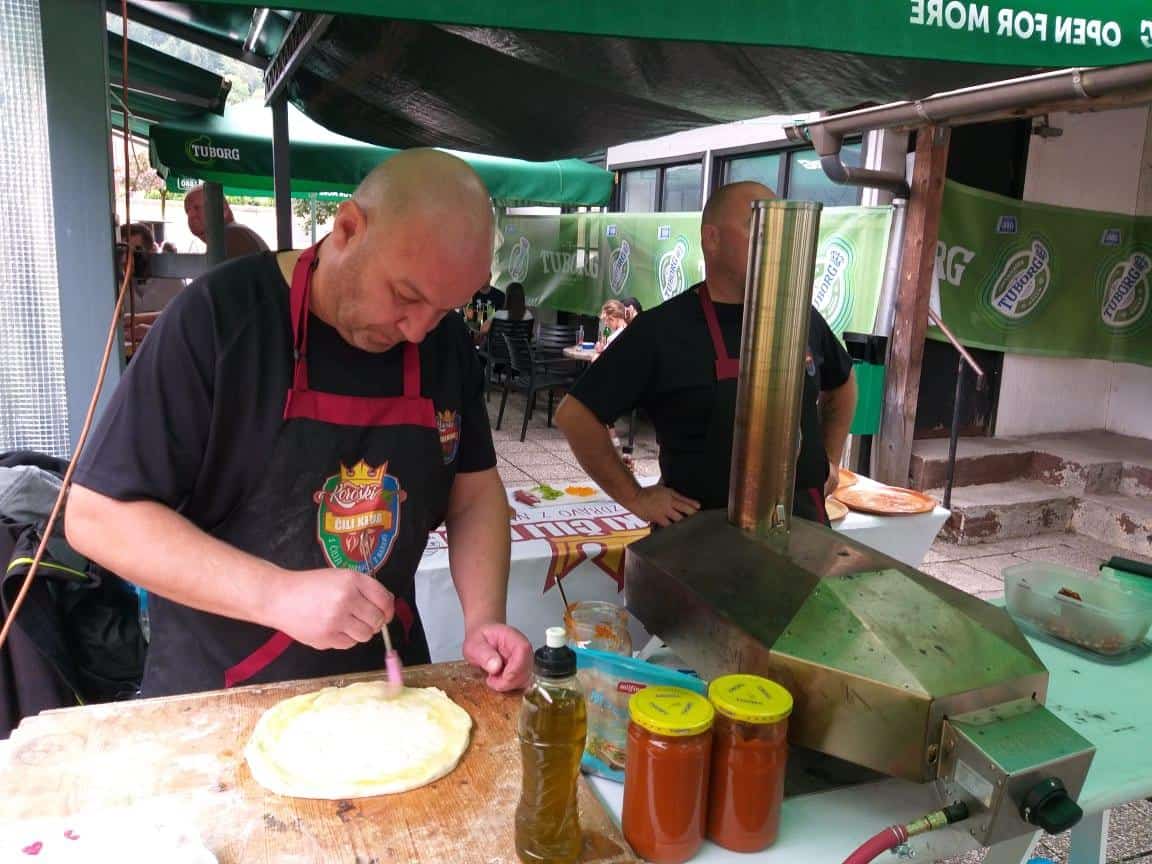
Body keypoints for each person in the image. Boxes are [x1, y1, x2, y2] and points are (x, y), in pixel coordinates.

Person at [67, 150, 533, 698]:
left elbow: (473, 492)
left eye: (443, 309)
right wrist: (277, 594)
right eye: (406, 297)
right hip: (224, 696)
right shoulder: (217, 321)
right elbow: (97, 516)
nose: (417, 331)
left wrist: (482, 618)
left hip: (387, 689)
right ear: (348, 229)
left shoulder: (442, 342)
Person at [555, 181, 857, 528]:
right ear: (711, 239)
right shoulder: (663, 329)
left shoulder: (801, 318)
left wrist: (829, 460)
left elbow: (843, 383)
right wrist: (637, 498)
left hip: (803, 529)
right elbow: (576, 416)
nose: (774, 239)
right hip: (700, 541)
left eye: (778, 227)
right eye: (755, 224)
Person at [183, 185, 270, 259]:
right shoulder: (232, 234)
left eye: (197, 208)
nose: (191, 215)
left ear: (223, 210)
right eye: (187, 211)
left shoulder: (233, 235)